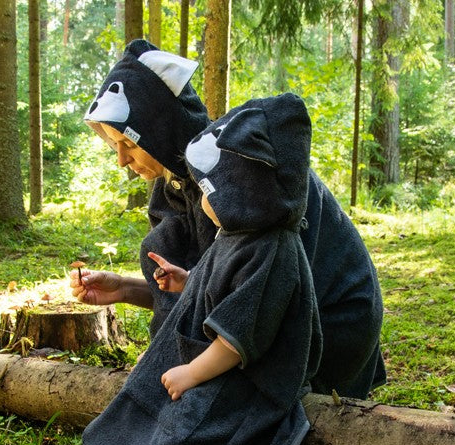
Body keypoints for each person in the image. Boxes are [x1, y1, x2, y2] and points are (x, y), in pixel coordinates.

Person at [59, 94, 322, 445]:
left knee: (192, 411)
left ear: (249, 192)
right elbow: (216, 286)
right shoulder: (237, 236)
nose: (202, 201)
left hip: (250, 374)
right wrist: (186, 284)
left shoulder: (273, 250)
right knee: (148, 378)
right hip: (214, 356)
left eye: (212, 191)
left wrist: (192, 373)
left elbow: (241, 338)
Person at [71, 39, 386, 399]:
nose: (122, 161)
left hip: (330, 327)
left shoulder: (236, 176)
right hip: (259, 323)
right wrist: (125, 289)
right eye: (115, 146)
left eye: (127, 143)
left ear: (157, 127)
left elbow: (254, 290)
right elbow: (203, 287)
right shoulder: (174, 186)